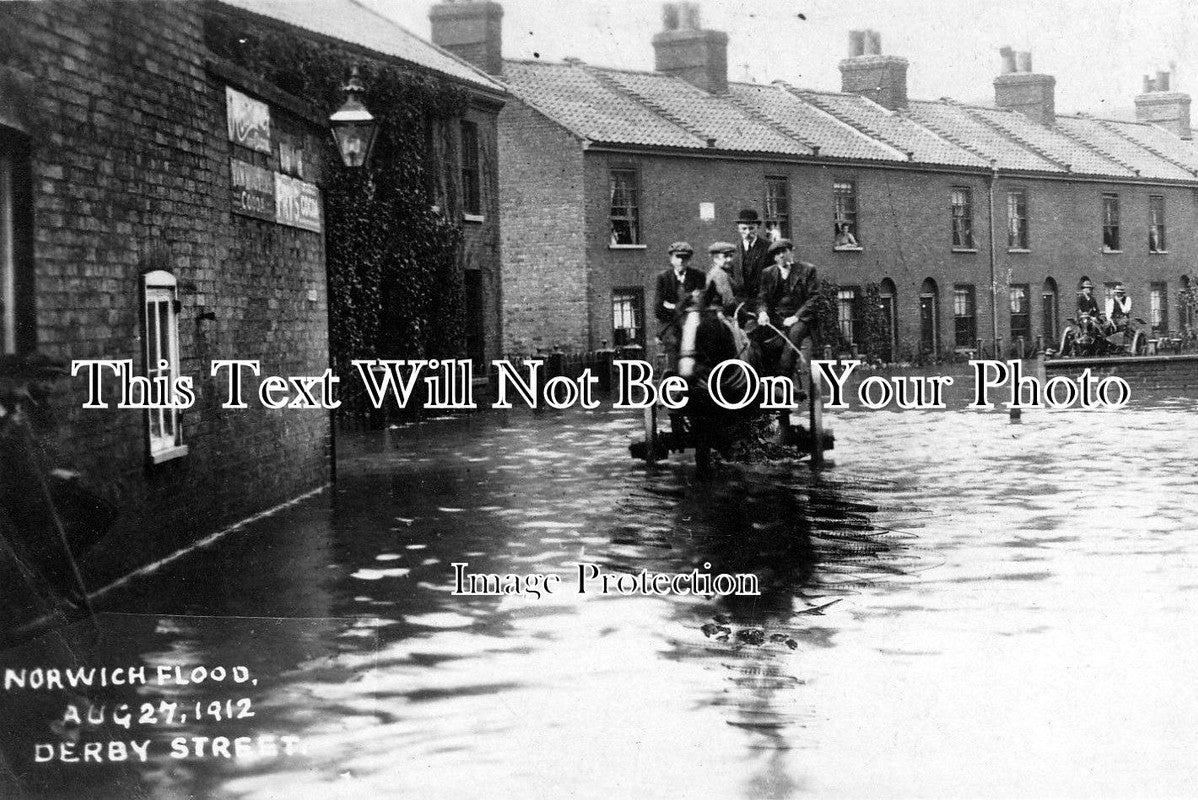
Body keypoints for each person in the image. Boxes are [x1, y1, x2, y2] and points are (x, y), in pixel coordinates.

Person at [756, 239, 818, 396]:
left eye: (784, 251)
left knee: (792, 340)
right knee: (756, 336)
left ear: (792, 251)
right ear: (774, 257)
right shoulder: (768, 273)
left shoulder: (807, 270)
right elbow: (762, 297)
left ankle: (783, 384)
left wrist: (796, 317)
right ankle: (763, 380)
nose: (781, 256)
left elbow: (814, 298)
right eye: (777, 253)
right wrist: (762, 313)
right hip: (777, 317)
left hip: (802, 318)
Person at [655, 241, 707, 370]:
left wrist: (672, 306)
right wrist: (687, 300)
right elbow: (658, 309)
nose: (681, 261)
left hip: (693, 321)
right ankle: (673, 375)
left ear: (689, 259)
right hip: (669, 323)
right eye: (678, 257)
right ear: (671, 258)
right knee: (674, 342)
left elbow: (701, 303)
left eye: (685, 257)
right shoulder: (663, 278)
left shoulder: (698, 276)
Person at [733, 209, 773, 303]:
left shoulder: (768, 247)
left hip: (762, 300)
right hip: (741, 300)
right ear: (738, 229)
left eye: (751, 228)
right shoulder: (734, 249)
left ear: (757, 227)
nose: (747, 232)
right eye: (744, 229)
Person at [704, 241, 739, 310]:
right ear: (715, 259)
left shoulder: (717, 271)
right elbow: (729, 302)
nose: (729, 260)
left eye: (731, 256)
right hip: (717, 313)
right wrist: (746, 315)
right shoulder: (719, 274)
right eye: (725, 256)